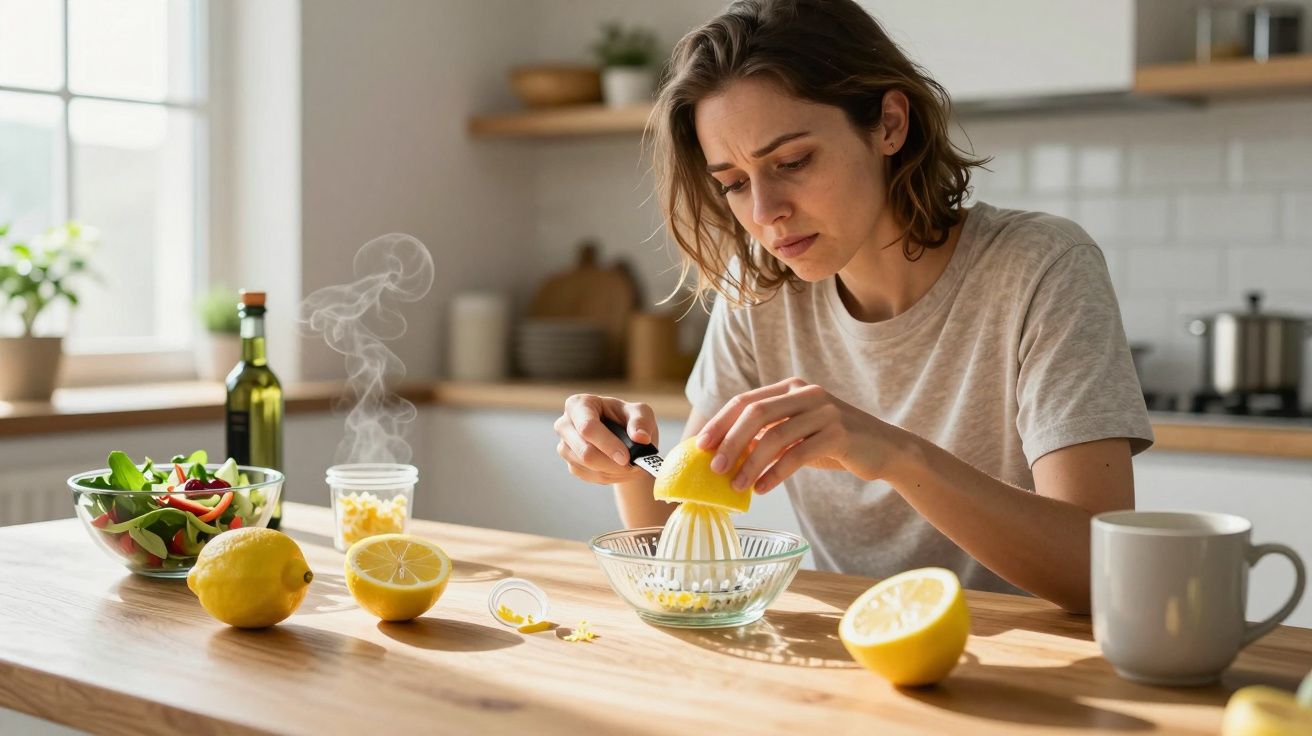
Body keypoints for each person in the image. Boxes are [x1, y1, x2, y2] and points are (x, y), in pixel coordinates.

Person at [552, 0, 1153, 613]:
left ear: (890, 124)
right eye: (733, 182)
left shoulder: (1040, 266)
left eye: (792, 162)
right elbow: (677, 528)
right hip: (859, 651)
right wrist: (626, 459)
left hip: (1039, 665)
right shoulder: (761, 291)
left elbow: (1101, 572)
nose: (764, 212)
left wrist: (893, 454)